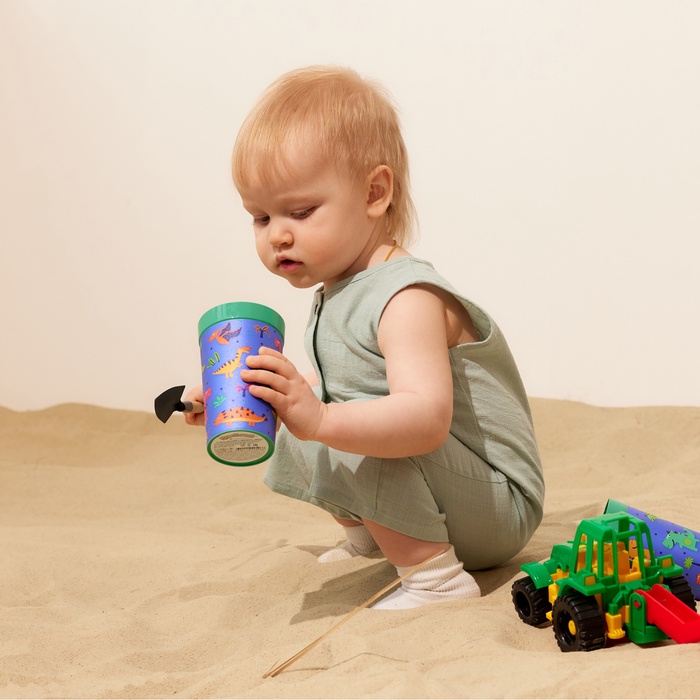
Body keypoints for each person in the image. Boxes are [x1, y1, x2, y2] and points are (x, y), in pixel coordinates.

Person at [185, 66, 545, 610]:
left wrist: (321, 419)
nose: (277, 234)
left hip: (497, 509)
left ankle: (436, 581)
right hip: (447, 492)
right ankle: (372, 535)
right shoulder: (340, 289)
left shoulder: (405, 297)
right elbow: (332, 394)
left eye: (301, 212)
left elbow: (424, 420)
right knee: (298, 406)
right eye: (260, 217)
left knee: (338, 423)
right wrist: (243, 393)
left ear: (375, 193)